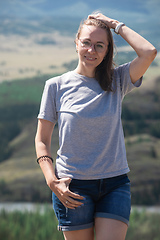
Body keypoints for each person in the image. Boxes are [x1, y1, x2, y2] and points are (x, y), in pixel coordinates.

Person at [35, 12, 157, 240]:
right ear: (76, 43)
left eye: (100, 46)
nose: (92, 50)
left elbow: (149, 52)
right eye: (87, 43)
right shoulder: (55, 86)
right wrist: (52, 181)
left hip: (115, 185)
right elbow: (42, 140)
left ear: (107, 50)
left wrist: (115, 25)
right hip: (72, 186)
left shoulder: (117, 80)